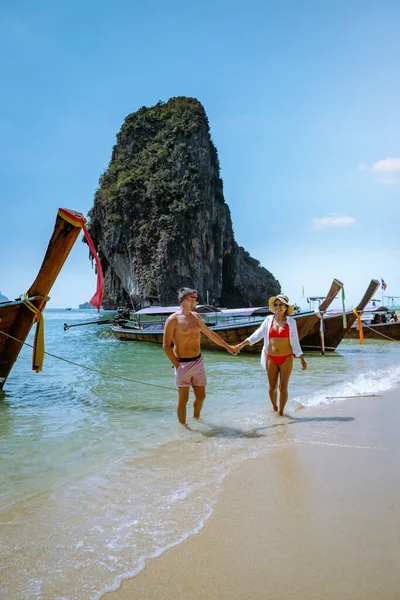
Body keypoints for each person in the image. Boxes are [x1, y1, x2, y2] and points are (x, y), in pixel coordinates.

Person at [163, 288, 237, 425]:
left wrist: (228, 347)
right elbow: (166, 346)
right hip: (182, 364)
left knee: (201, 396)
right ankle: (184, 428)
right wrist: (178, 367)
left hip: (198, 362)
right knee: (183, 400)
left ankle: (196, 419)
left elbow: (210, 334)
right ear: (188, 299)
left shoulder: (197, 317)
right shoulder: (172, 320)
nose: (197, 301)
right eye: (196, 298)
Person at [234, 294, 307, 415]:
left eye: (281, 304)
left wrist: (301, 358)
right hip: (271, 358)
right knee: (272, 387)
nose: (278, 307)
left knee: (283, 388)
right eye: (276, 304)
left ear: (286, 307)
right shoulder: (268, 320)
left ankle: (281, 413)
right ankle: (274, 407)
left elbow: (294, 341)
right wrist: (241, 345)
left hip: (286, 358)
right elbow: (257, 335)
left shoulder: (291, 322)